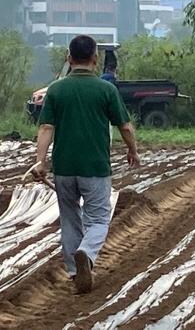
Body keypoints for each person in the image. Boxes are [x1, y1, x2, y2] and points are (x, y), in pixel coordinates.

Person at [33, 35, 140, 294]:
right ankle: (86, 253)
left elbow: (46, 127)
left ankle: (74, 272)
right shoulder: (106, 90)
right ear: (95, 59)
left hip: (64, 169)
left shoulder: (57, 89)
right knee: (99, 219)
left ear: (69, 59)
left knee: (70, 220)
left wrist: (40, 162)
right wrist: (132, 150)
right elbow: (124, 126)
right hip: (95, 167)